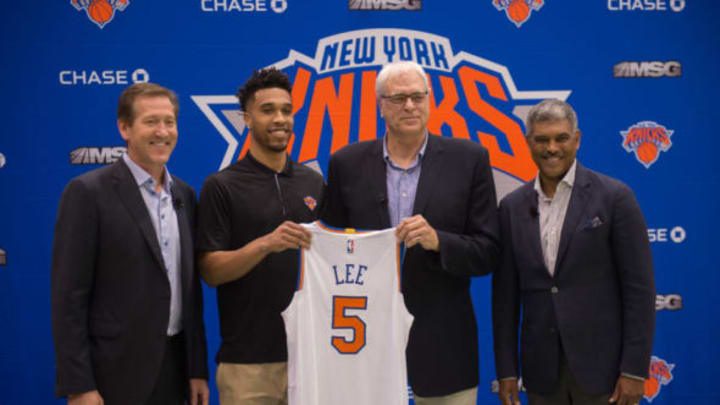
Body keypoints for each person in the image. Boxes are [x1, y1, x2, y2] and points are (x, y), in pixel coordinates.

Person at [322, 61, 500, 405]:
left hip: (445, 344)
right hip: (362, 343)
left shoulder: (470, 159)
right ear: (380, 105)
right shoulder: (346, 163)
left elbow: (488, 251)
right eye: (398, 98)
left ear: (430, 100)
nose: (409, 106)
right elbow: (331, 247)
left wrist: (439, 242)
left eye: (418, 97)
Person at [51, 83, 209, 405]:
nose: (162, 131)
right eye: (151, 121)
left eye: (169, 121)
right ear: (124, 128)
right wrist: (79, 385)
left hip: (175, 373)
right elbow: (69, 298)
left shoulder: (186, 196)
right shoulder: (88, 193)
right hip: (112, 375)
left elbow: (190, 295)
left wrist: (197, 370)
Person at [492, 99, 655, 405]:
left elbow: (639, 290)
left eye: (561, 138)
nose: (551, 148)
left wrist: (634, 370)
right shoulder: (511, 207)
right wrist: (507, 371)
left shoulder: (615, 198)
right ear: (528, 142)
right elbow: (504, 300)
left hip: (605, 374)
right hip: (541, 375)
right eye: (542, 139)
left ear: (576, 140)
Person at [195, 67, 324, 405]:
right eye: (267, 110)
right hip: (247, 363)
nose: (280, 118)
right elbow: (210, 270)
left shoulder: (313, 183)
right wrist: (265, 244)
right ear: (247, 119)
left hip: (313, 357)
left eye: (286, 109)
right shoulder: (221, 186)